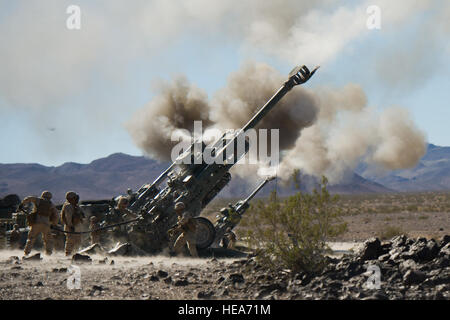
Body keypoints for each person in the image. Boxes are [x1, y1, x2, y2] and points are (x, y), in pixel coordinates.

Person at [21, 191, 59, 256]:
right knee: (48, 239)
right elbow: (56, 215)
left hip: (36, 222)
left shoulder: (38, 200)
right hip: (46, 224)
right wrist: (54, 224)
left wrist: (22, 204)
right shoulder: (51, 204)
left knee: (31, 238)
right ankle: (48, 253)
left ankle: (26, 252)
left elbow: (29, 198)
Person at [61, 191, 85, 256]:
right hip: (71, 227)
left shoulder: (76, 206)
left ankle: (75, 254)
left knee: (78, 241)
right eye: (74, 198)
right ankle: (68, 254)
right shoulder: (68, 206)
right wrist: (70, 226)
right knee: (70, 241)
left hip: (77, 227)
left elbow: (82, 215)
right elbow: (68, 217)